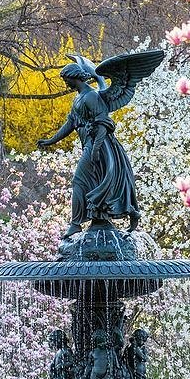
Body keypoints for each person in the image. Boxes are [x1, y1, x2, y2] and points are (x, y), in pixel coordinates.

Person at [38, 50, 164, 238]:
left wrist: (96, 148)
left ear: (74, 77)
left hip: (100, 145)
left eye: (66, 79)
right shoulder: (79, 98)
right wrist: (51, 141)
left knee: (79, 180)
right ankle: (99, 216)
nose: (65, 83)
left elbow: (103, 122)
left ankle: (76, 223)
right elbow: (71, 123)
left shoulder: (91, 97)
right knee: (93, 181)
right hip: (90, 144)